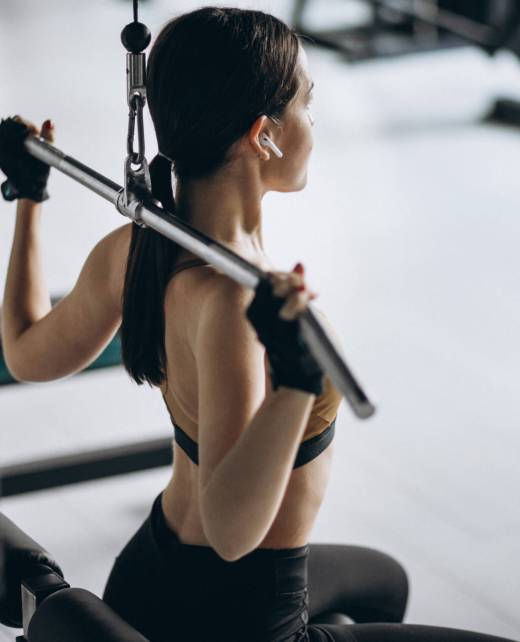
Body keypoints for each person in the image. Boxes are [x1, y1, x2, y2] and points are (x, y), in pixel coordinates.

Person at [0, 7, 517, 642]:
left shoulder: (136, 247)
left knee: (383, 579)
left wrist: (29, 196)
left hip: (149, 573)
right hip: (244, 619)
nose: (313, 123)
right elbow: (231, 531)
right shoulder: (234, 305)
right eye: (306, 104)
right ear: (263, 134)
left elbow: (25, 353)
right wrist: (297, 380)